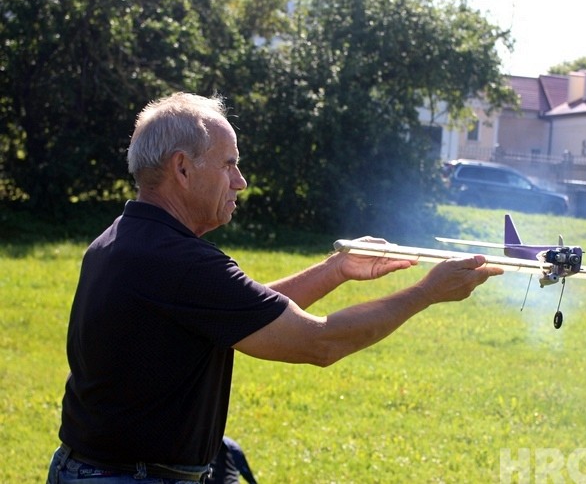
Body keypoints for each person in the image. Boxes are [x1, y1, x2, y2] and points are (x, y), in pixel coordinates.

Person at [47, 92, 502, 483]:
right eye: (229, 166)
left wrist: (337, 269)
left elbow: (241, 311)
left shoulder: (125, 238)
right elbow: (319, 342)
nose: (240, 182)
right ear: (182, 169)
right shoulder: (179, 261)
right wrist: (426, 293)